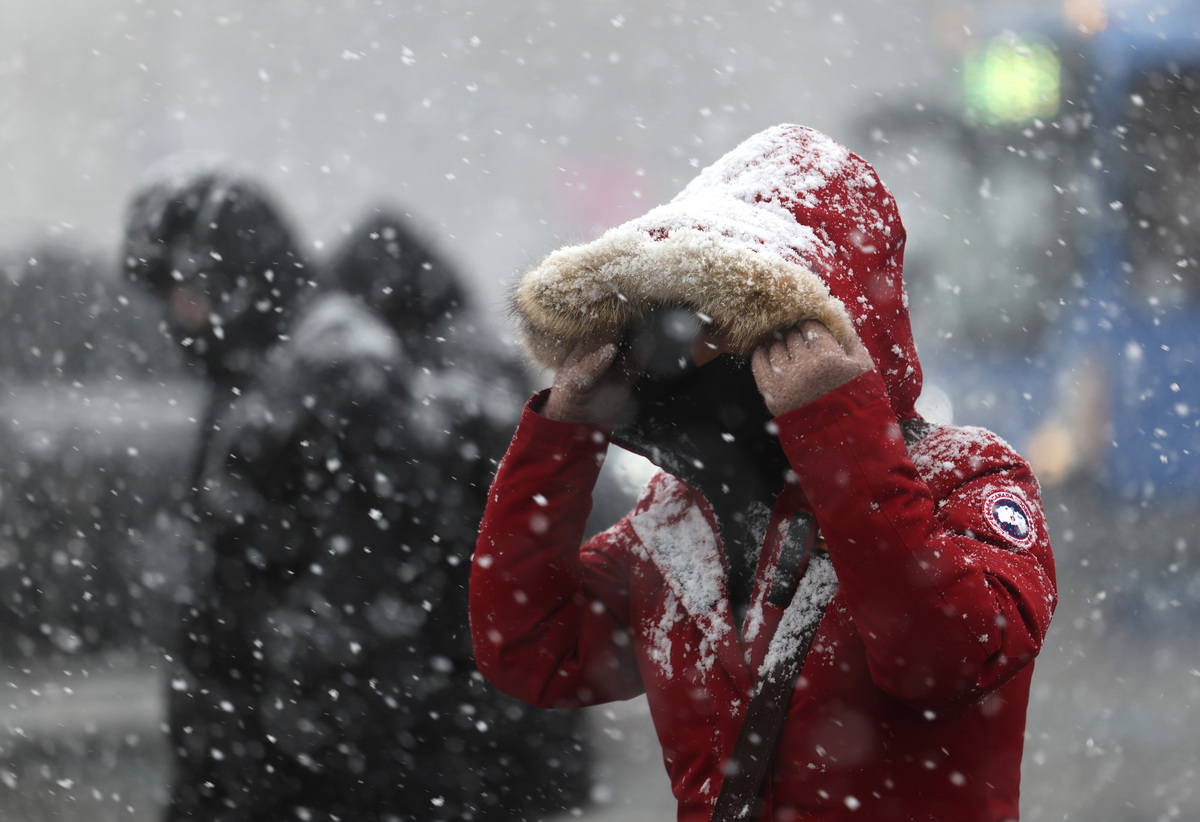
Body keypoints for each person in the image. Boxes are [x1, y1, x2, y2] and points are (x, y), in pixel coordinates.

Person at [471, 124, 1057, 821]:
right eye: (676, 326)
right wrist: (564, 431)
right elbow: (531, 649)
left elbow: (944, 661)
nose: (695, 353)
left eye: (726, 321)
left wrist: (836, 430)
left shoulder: (968, 479)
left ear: (817, 327)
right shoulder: (678, 521)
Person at [125, 165, 449, 821]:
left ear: (233, 274)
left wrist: (290, 710)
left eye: (182, 288)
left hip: (311, 765)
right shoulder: (258, 368)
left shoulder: (339, 371)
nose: (177, 313)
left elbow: (373, 571)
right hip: (263, 750)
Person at [328, 209, 592, 818]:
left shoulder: (423, 387)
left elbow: (433, 530)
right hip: (511, 669)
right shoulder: (484, 365)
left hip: (460, 679)